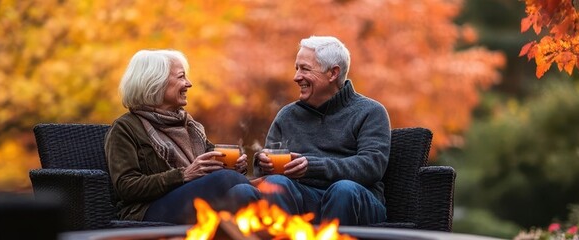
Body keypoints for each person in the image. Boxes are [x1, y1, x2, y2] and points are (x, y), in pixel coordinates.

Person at [234, 36, 391, 225]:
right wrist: (263, 162)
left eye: (305, 69)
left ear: (333, 73)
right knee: (275, 184)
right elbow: (265, 175)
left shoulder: (370, 112)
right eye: (296, 68)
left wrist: (312, 166)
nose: (296, 77)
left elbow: (371, 166)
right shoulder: (287, 115)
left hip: (356, 199)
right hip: (303, 199)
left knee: (343, 190)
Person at [105, 49, 251, 224]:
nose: (189, 84)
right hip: (148, 210)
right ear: (156, 83)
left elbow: (213, 163)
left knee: (252, 189)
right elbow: (126, 187)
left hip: (194, 201)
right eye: (181, 77)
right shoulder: (125, 128)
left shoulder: (189, 125)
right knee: (227, 179)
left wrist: (234, 166)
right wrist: (183, 175)